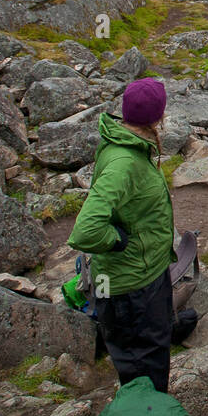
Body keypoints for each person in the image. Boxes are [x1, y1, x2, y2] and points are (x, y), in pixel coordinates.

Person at [67, 77, 177, 392]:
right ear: (158, 117)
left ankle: (148, 414)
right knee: (146, 367)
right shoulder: (124, 162)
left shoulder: (126, 142)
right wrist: (117, 240)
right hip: (133, 287)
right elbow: (85, 230)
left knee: (148, 357)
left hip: (144, 276)